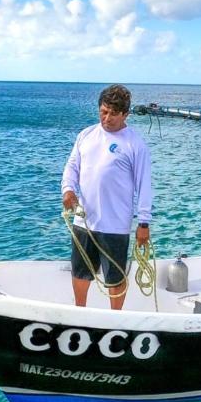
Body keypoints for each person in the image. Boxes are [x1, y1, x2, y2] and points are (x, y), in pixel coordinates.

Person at [61, 85, 152, 310]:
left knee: (115, 276)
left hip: (115, 224)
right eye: (103, 111)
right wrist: (68, 190)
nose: (107, 118)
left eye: (113, 113)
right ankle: (79, 311)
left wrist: (143, 223)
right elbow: (72, 167)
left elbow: (144, 185)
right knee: (80, 271)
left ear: (125, 114)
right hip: (84, 220)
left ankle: (116, 317)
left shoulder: (135, 144)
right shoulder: (86, 135)